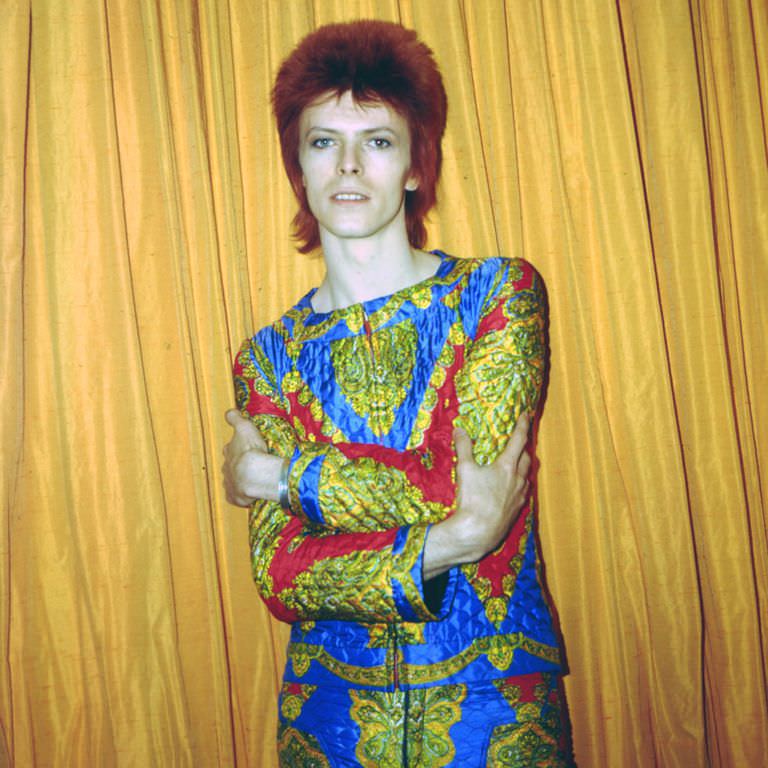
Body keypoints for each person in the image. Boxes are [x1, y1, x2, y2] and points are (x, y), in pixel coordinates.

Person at [222, 19, 571, 767]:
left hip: (493, 702)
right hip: (327, 715)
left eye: (377, 140)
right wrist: (455, 542)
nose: (349, 165)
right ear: (299, 167)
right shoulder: (268, 359)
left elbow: (458, 478)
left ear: (416, 163)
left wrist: (284, 476)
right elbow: (282, 574)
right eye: (323, 142)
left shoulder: (497, 295)